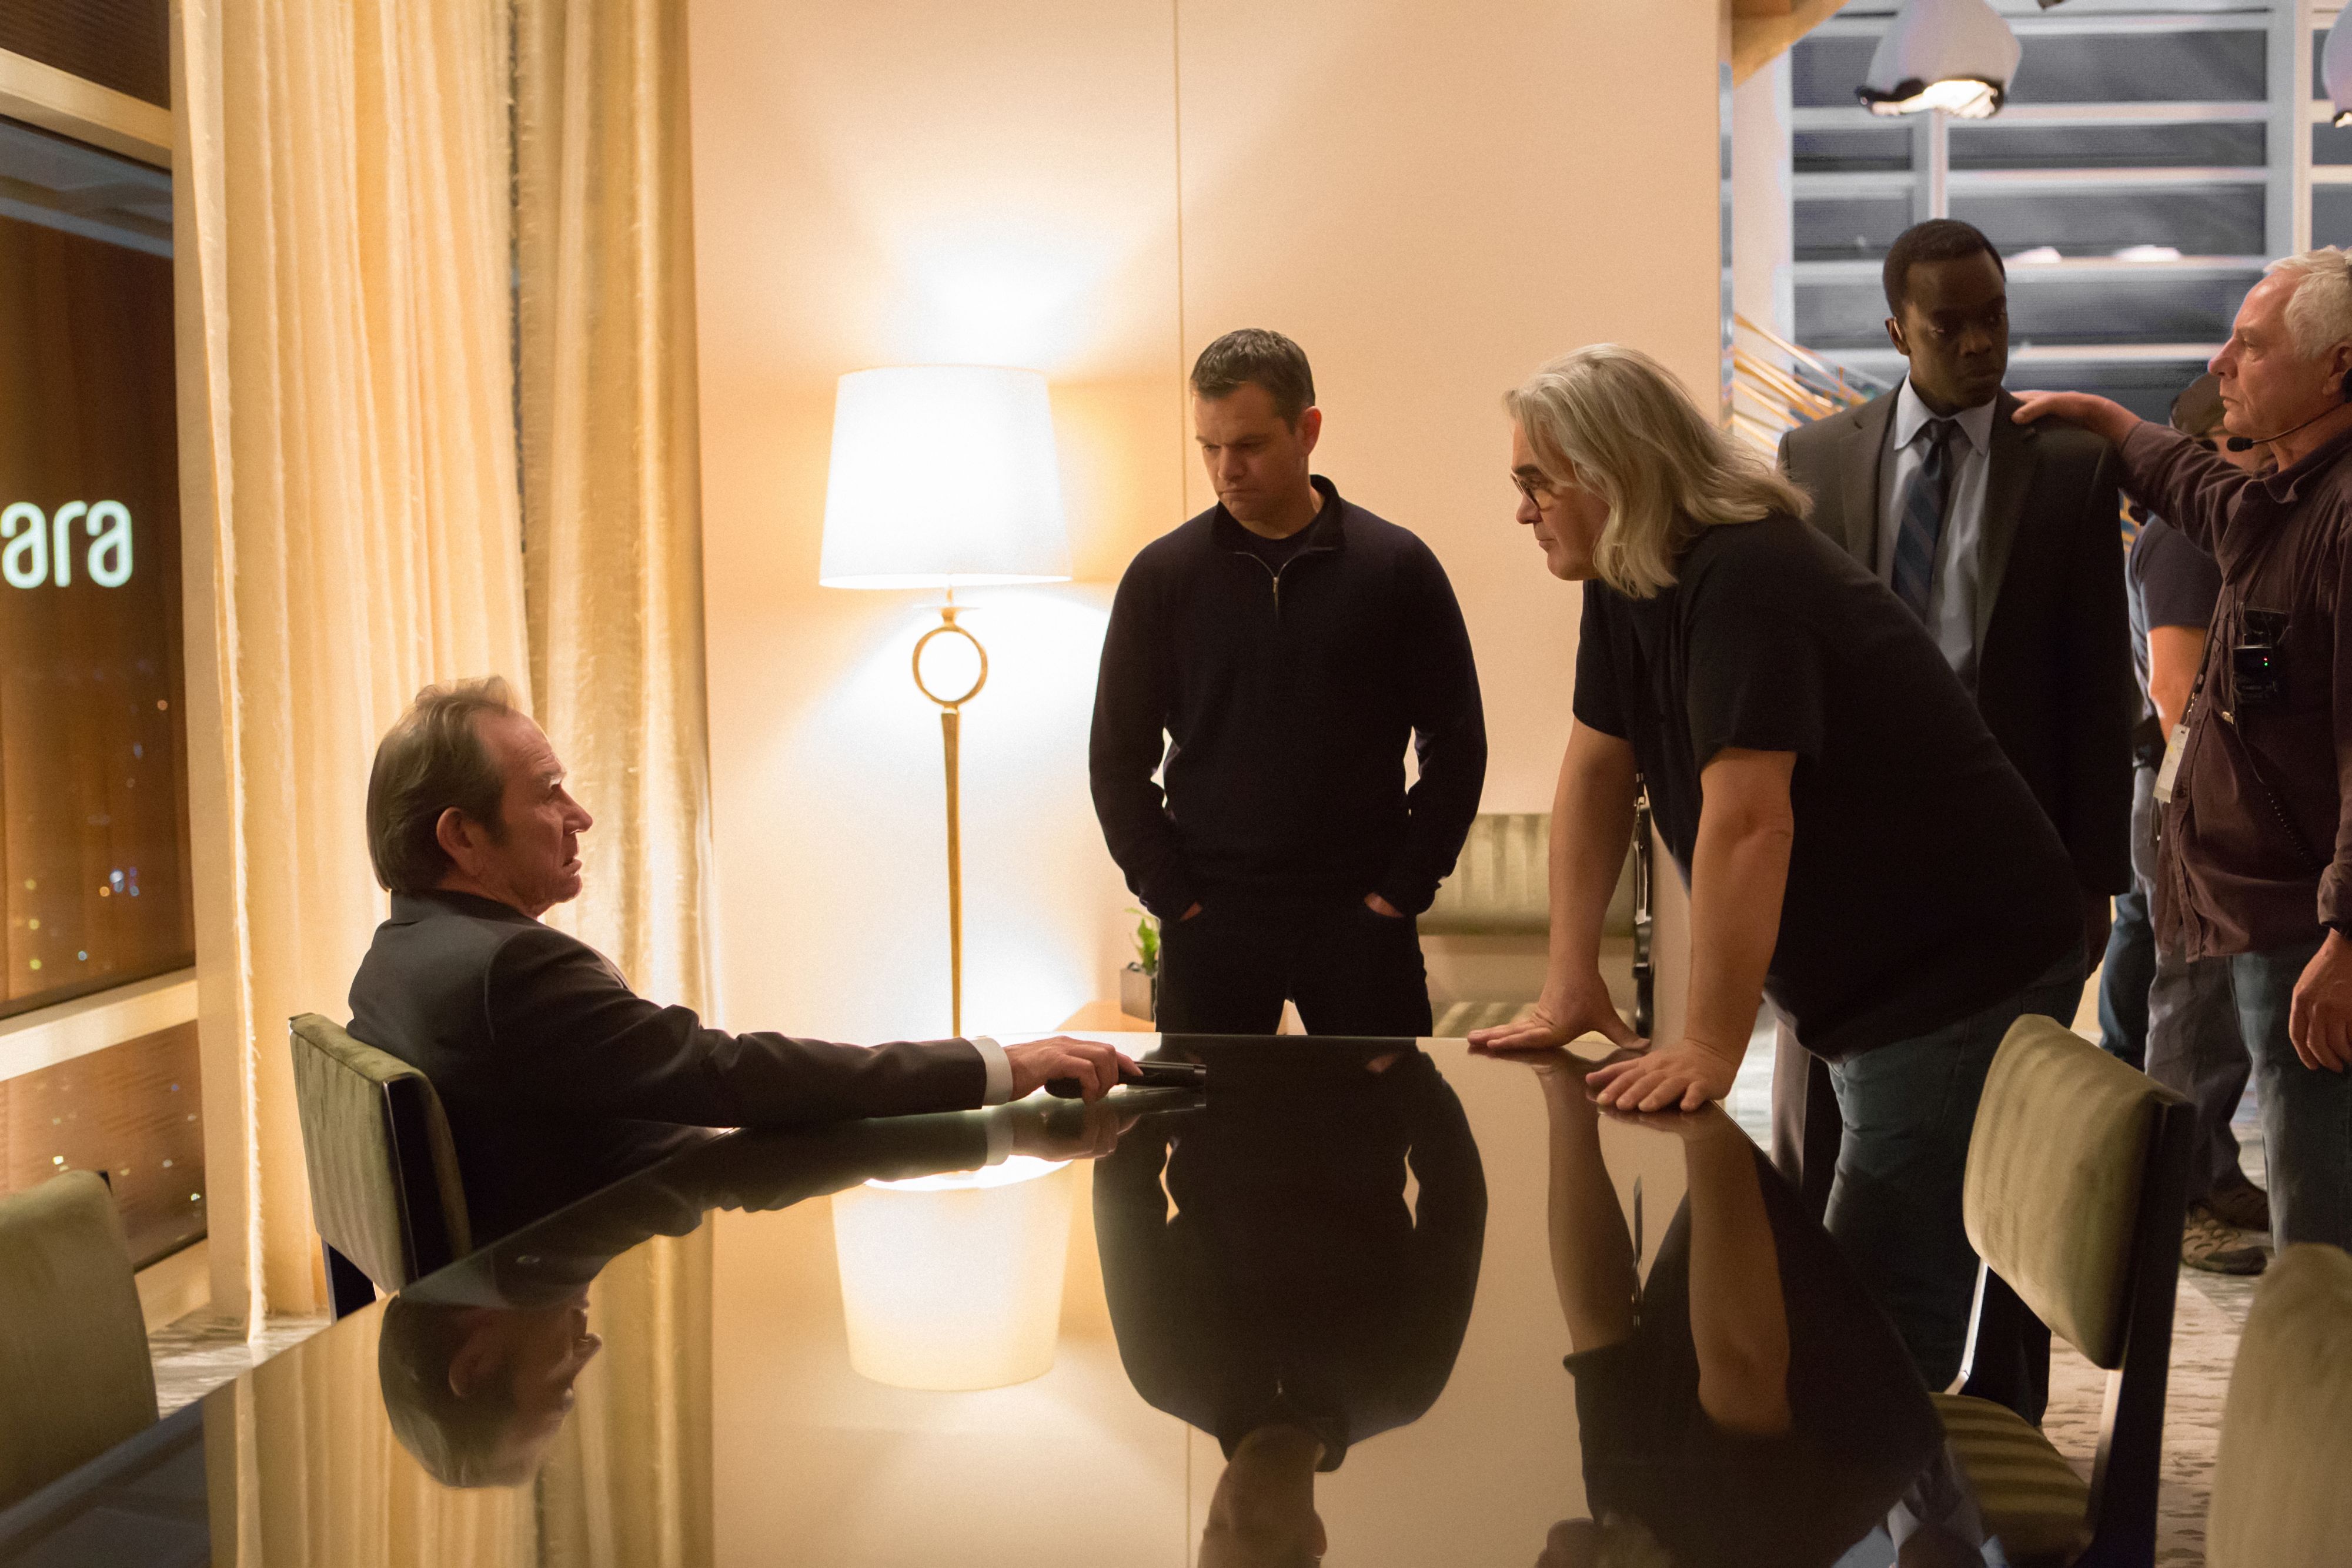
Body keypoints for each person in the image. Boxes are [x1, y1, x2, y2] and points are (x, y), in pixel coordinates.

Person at [1472, 344, 2080, 1410]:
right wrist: (1570, 978)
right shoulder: (1628, 571)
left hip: (1958, 964)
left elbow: (1750, 821)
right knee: (1789, 1305)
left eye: (1537, 482)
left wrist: (1712, 1044)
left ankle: (1907, 1484)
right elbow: (1598, 769)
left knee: (1869, 1327)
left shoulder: (1748, 575)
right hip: (1873, 972)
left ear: (1616, 475)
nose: (1522, 509)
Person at [348, 676, 1134, 1245]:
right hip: (626, 1256)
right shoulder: (511, 970)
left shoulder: (398, 954)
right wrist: (1000, 1062)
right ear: (462, 835)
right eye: (548, 792)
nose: (578, 815)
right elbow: (724, 1074)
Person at [1775, 218, 2132, 1219]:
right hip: (1849, 859)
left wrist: (2096, 877)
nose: (1981, 344)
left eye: (1995, 319)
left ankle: (2002, 1330)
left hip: (2009, 858)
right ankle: (1825, 1313)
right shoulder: (1814, 457)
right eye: (1950, 327)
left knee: (2008, 1135)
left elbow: (2096, 686)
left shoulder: (2067, 463)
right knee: (1830, 1130)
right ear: (1899, 332)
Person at [2014, 246, 2352, 1255]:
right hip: (2264, 908)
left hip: (2308, 922)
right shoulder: (2284, 498)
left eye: (2251, 346)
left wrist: (2347, 932)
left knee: (2319, 1219)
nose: (2220, 364)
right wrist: (2110, 424)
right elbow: (2195, 485)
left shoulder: (2341, 517)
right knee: (2301, 1177)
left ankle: (2318, 1357)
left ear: (2337, 366)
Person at [1090, 328, 1487, 1037]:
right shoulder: (1162, 577)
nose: (1225, 470)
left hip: (1362, 920)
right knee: (1207, 1114)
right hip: (1211, 923)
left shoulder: (1394, 568)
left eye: (1248, 445)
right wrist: (1174, 899)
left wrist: (1398, 895)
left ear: (1308, 431)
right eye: (1208, 447)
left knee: (1381, 1108)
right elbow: (1116, 762)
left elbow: (1456, 746)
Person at [1094, 1039, 1485, 1567]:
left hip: (1213, 1052)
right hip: (1355, 1055)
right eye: (1254, 1529)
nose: (1231, 1505)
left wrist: (1173, 1069)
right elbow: (1457, 1202)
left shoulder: (1163, 1374)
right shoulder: (1401, 1385)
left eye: (1214, 1525)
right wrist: (1404, 1072)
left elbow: (1122, 1192)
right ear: (1315, 1535)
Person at [2125, 375, 2269, 1275]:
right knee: (2191, 998)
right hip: (2194, 796)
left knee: (2208, 1001)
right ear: (2218, 443)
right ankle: (2174, 1205)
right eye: (2257, 439)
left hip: (2203, 794)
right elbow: (2177, 688)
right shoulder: (2185, 536)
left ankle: (2210, 1170)